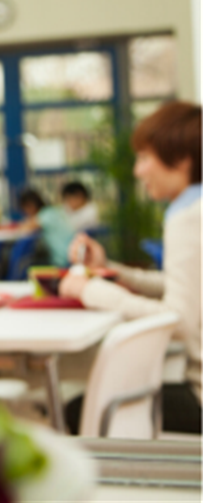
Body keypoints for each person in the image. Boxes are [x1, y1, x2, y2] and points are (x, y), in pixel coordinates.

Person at [59, 101, 201, 434]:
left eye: (145, 158)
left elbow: (178, 321)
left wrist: (91, 290)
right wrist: (112, 270)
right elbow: (188, 287)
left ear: (182, 160)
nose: (138, 171)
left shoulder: (189, 217)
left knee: (76, 409)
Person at [16, 187, 70, 267]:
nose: (25, 213)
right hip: (68, 257)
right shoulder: (52, 211)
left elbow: (24, 228)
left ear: (31, 205)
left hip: (62, 261)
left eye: (24, 209)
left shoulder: (45, 215)